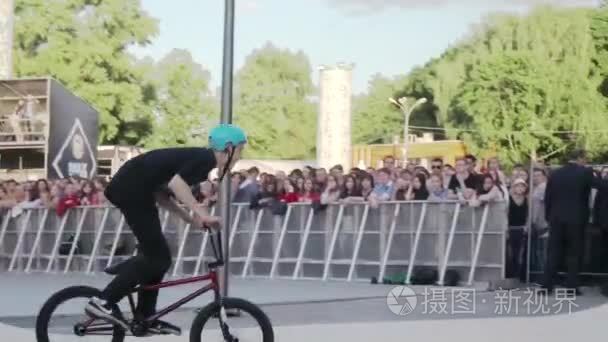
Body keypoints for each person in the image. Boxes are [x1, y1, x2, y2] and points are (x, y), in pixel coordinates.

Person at [84, 124, 247, 335]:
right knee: (157, 258)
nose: (240, 157)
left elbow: (163, 193)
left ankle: (145, 317)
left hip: (136, 189)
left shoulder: (199, 160)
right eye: (240, 150)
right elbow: (177, 185)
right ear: (228, 148)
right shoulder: (205, 160)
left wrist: (191, 219)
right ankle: (103, 301)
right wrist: (202, 212)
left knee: (159, 259)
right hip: (131, 190)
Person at [543, 149, 605, 295]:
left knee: (553, 252)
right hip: (576, 219)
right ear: (580, 158)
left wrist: (549, 216)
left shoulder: (555, 173)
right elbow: (601, 186)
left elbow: (548, 197)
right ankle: (571, 287)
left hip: (556, 218)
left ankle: (546, 286)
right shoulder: (585, 172)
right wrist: (597, 174)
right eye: (585, 159)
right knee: (574, 253)